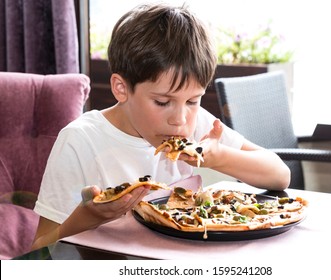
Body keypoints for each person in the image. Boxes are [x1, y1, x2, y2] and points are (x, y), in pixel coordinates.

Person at [31, 3, 290, 250]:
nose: (180, 119)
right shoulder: (80, 141)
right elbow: (40, 248)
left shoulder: (196, 121)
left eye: (192, 100)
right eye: (162, 102)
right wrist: (88, 217)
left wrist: (218, 156)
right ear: (121, 88)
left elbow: (280, 175)